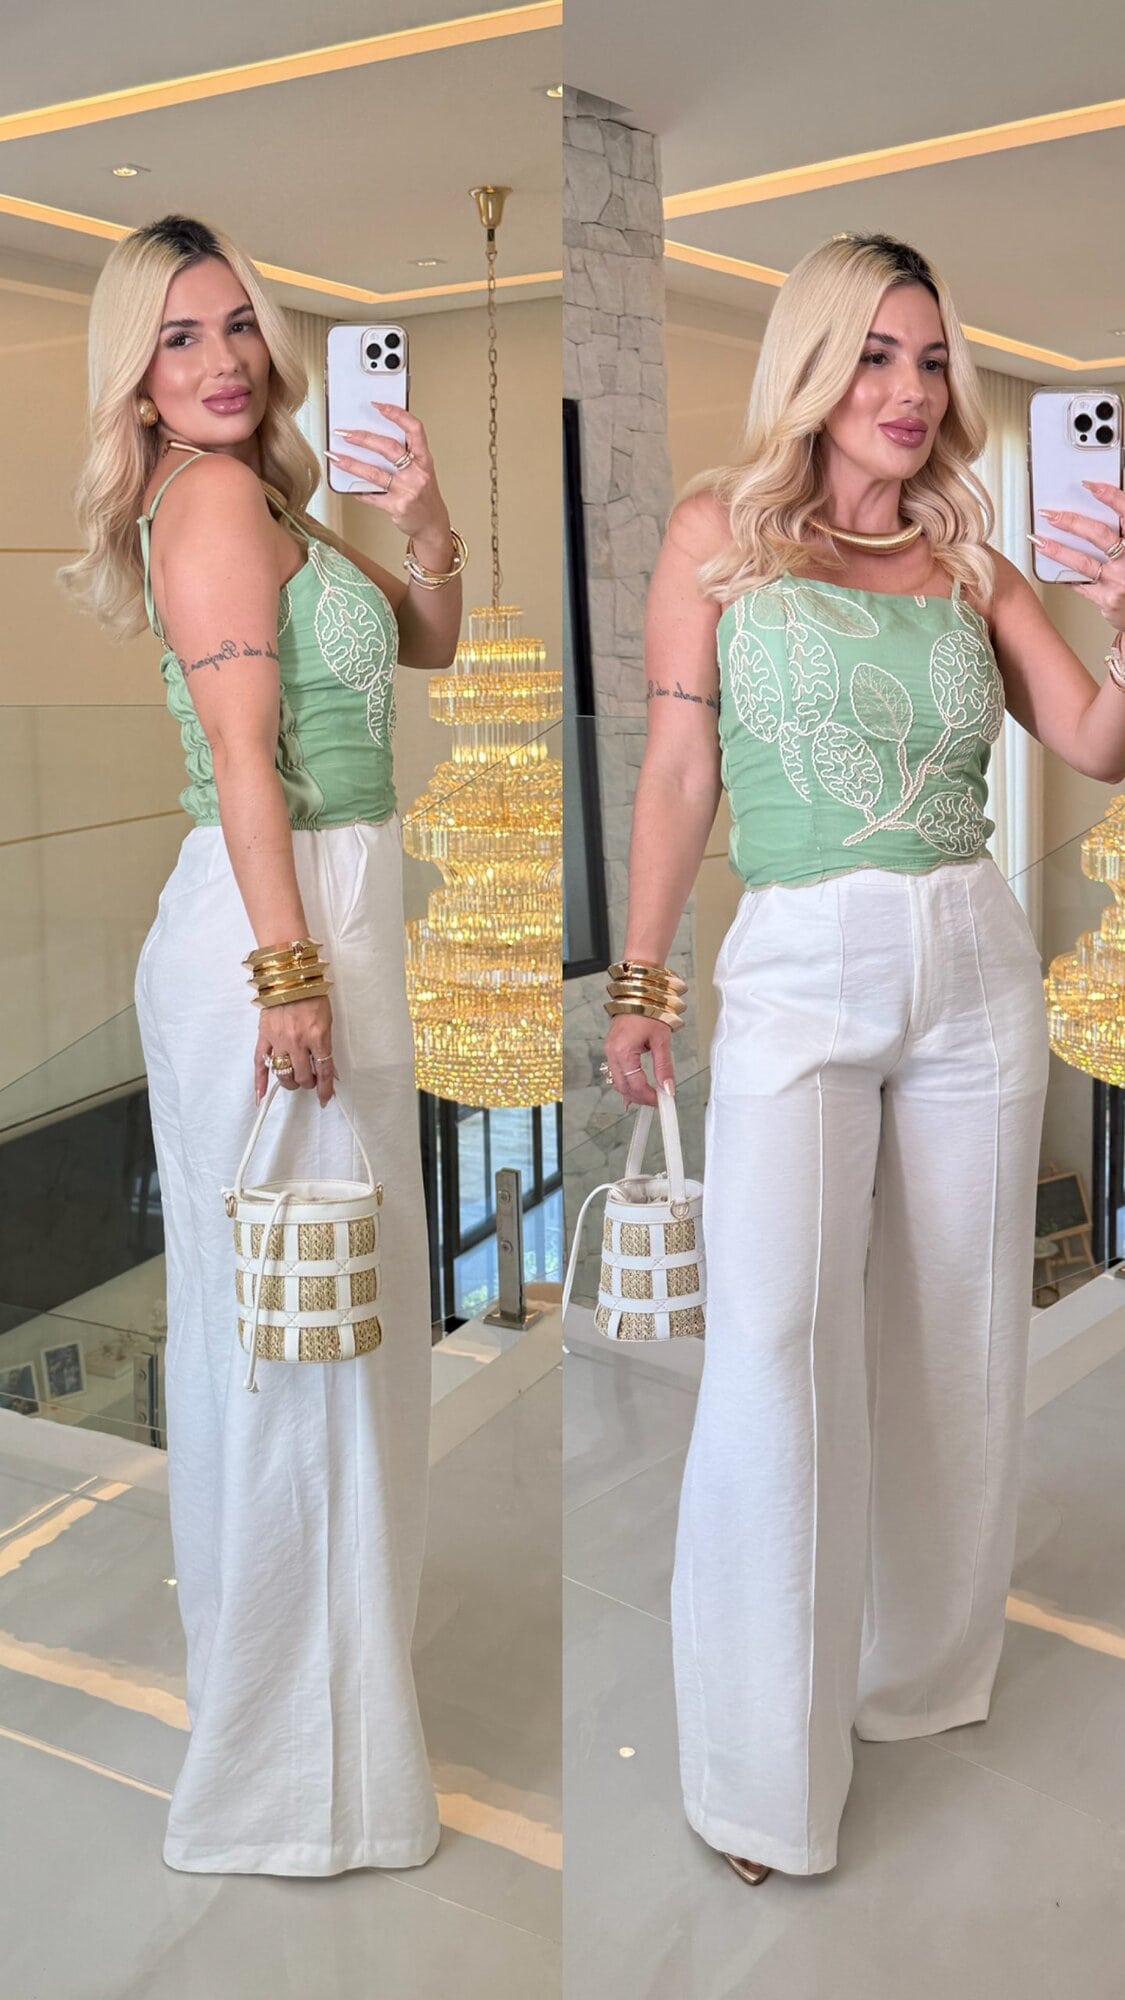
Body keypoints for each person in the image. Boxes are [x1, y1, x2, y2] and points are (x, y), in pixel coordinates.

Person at [601, 232, 1125, 1883]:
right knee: (773, 1343)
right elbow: (676, 774)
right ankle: (760, 1776)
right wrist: (641, 980)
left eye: (930, 359)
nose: (908, 390)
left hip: (969, 959)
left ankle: (920, 1678)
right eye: (877, 355)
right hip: (798, 965)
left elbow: (1093, 739)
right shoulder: (719, 532)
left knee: (958, 1335)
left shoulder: (970, 560)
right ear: (816, 365)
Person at [60, 214, 465, 1875]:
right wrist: (290, 972)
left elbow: (428, 643)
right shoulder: (214, 501)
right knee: (297, 1339)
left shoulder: (274, 494)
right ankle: (288, 1782)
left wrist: (425, 525)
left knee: (315, 1325)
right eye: (179, 338)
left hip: (320, 918)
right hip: (273, 930)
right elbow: (245, 758)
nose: (221, 360)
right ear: (136, 377)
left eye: (237, 325)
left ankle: (318, 1735)